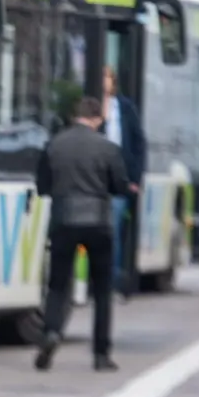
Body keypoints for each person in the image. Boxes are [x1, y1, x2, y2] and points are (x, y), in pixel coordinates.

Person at [35, 96, 134, 372]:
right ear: (97, 119)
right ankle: (101, 354)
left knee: (57, 285)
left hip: (64, 221)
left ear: (74, 117)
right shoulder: (108, 148)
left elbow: (42, 186)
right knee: (102, 291)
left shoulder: (54, 145)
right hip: (98, 224)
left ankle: (51, 332)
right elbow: (119, 187)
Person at [101, 66, 146, 298]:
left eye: (107, 78)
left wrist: (135, 179)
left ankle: (112, 282)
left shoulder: (125, 107)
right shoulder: (91, 108)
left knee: (113, 233)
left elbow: (139, 144)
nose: (103, 82)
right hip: (95, 179)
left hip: (119, 180)